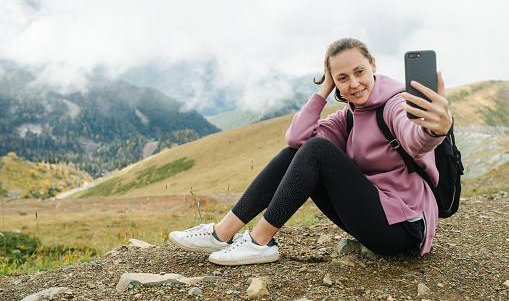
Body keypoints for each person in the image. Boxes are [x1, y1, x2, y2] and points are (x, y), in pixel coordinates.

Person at [169, 38, 453, 266]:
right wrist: (324, 89)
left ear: (373, 66)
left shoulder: (394, 104)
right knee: (303, 149)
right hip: (375, 214)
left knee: (318, 149)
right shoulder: (350, 116)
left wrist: (434, 130)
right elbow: (295, 138)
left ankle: (260, 242)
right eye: (343, 78)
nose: (353, 84)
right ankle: (223, 233)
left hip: (404, 227)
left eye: (359, 72)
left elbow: (415, 139)